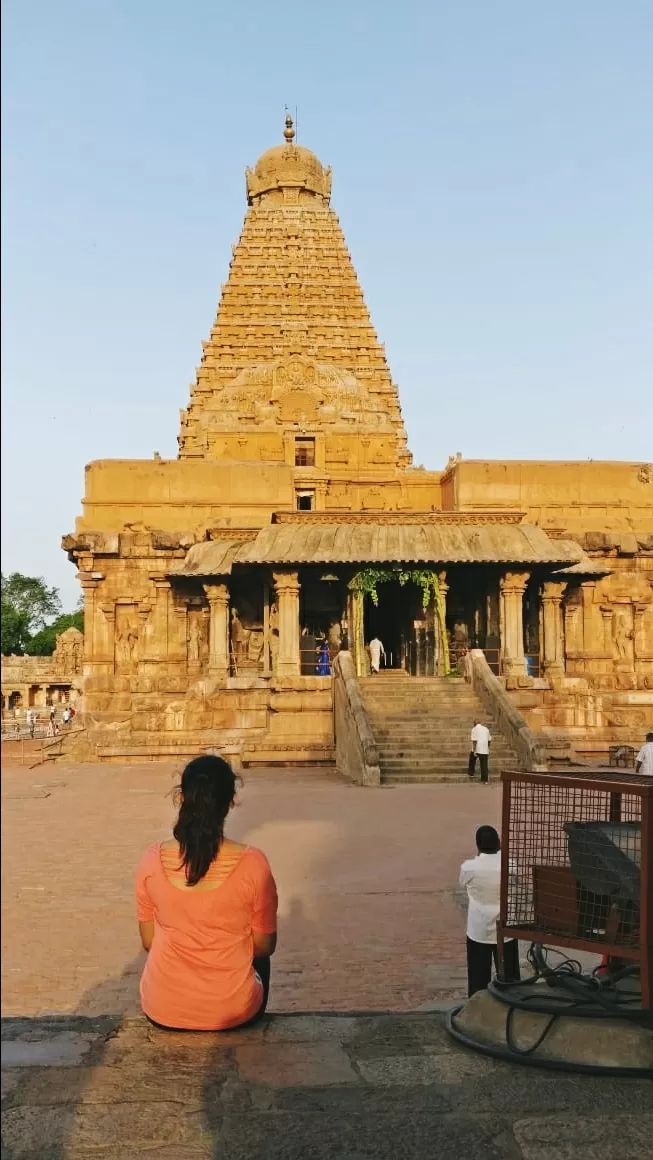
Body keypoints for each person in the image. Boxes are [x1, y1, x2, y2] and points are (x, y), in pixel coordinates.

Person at [135, 754, 278, 1031]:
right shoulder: (253, 863)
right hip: (233, 1009)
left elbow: (149, 941)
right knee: (261, 959)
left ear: (181, 798)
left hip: (162, 1007)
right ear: (230, 802)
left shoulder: (151, 860)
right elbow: (264, 946)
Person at [459, 825, 520, 997]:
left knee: (478, 980)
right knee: (511, 980)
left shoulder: (469, 868)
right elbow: (515, 884)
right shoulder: (511, 865)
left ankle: (477, 1011)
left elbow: (462, 882)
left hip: (479, 929)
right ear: (499, 843)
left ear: (477, 846)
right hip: (507, 927)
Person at [468, 718, 491, 783]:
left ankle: (471, 773)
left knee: (472, 759)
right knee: (484, 765)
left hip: (477, 748)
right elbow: (489, 740)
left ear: (474, 724)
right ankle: (485, 780)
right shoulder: (486, 729)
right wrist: (488, 748)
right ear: (480, 723)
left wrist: (475, 751)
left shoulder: (474, 729)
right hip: (485, 749)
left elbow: (474, 740)